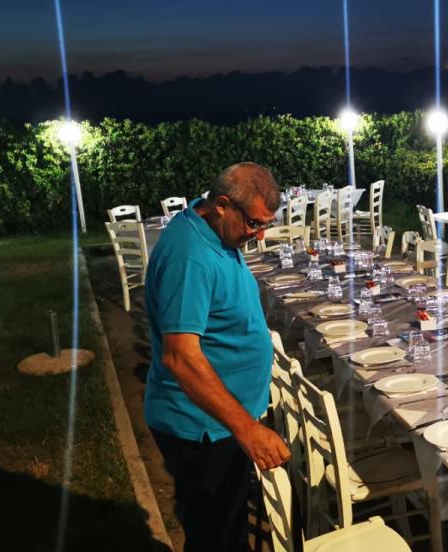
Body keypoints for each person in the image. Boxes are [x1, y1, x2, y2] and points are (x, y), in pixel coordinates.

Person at [144, 162, 292, 551]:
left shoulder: (212, 225)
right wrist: (247, 429)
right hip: (203, 429)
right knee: (217, 538)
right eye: (254, 223)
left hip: (219, 423)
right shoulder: (189, 258)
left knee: (225, 525)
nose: (259, 235)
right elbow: (180, 358)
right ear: (223, 204)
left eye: (266, 225)